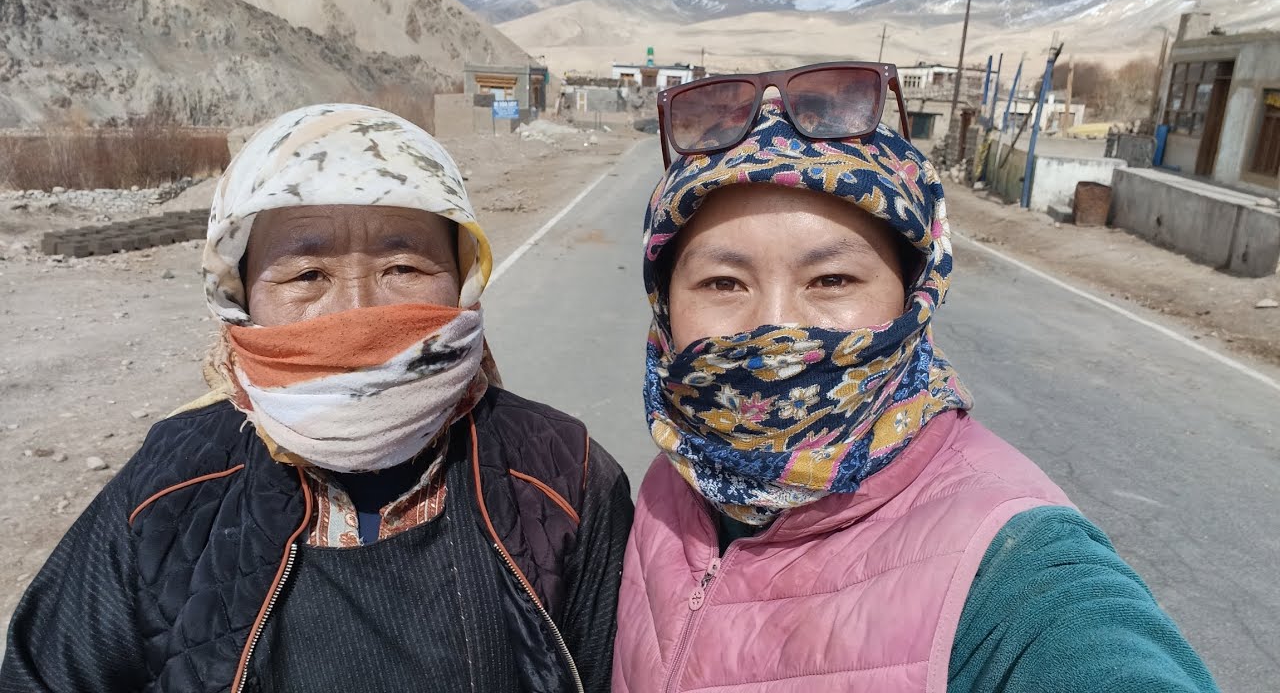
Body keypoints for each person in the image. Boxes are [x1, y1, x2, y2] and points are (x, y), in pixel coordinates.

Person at [614, 75, 1218, 692]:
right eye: (722, 283)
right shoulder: (673, 485)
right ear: (665, 305)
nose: (775, 327)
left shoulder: (1009, 565)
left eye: (832, 280)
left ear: (914, 295)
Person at [1, 104, 632, 693]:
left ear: (463, 281)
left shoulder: (564, 473)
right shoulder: (169, 486)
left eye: (403, 268)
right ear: (240, 298)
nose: (358, 312)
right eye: (307, 275)